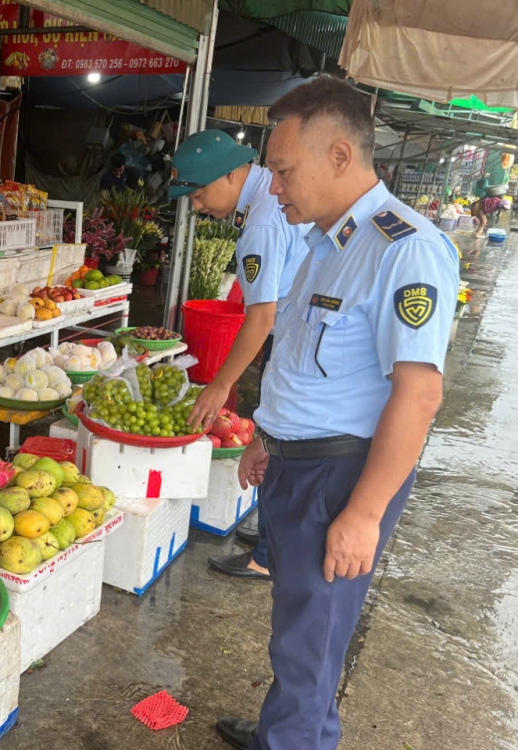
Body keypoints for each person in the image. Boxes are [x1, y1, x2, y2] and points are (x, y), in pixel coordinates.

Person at [215, 77, 459, 750]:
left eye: (285, 171)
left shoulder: (404, 250)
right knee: (302, 628)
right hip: (298, 464)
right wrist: (266, 436)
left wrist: (365, 514)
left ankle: (292, 740)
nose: (275, 188)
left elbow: (418, 395)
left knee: (311, 638)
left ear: (341, 156)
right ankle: (290, 730)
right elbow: (301, 361)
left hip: (341, 477)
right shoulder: (327, 244)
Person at [168, 129, 311, 581]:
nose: (196, 205)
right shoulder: (269, 198)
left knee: (282, 438)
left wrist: (220, 384)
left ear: (231, 174)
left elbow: (261, 317)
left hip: (296, 341)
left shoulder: (263, 224)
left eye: (199, 193)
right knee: (277, 438)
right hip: (303, 336)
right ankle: (269, 533)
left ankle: (266, 556)